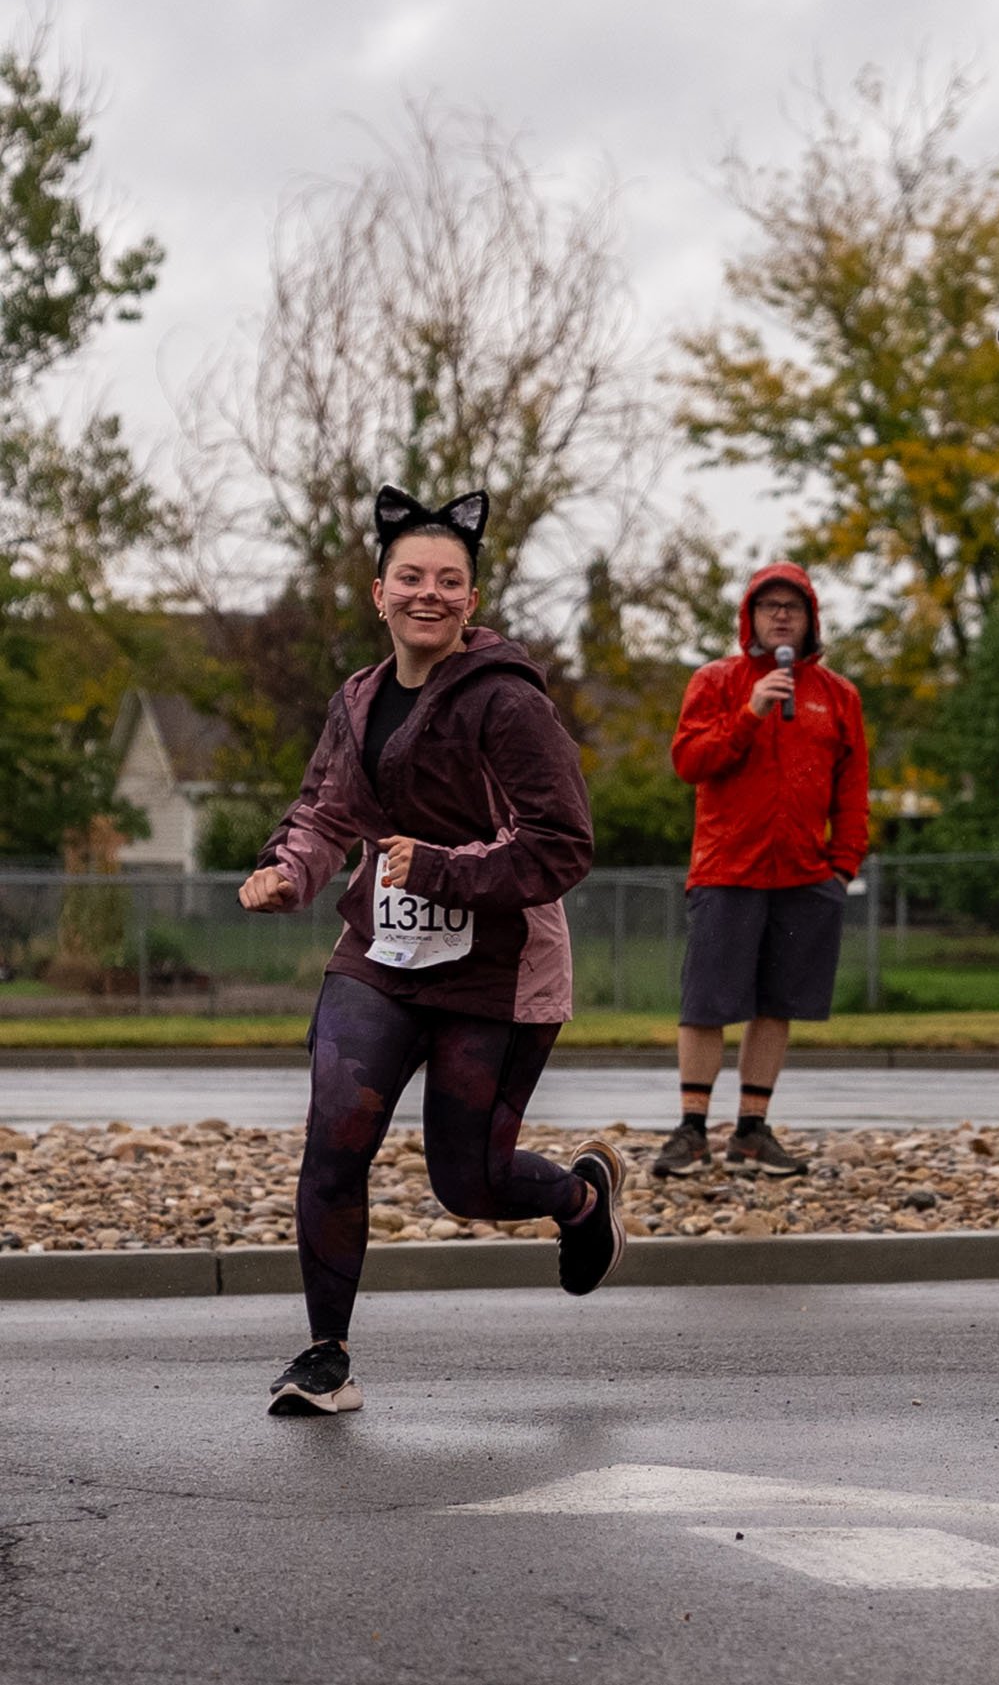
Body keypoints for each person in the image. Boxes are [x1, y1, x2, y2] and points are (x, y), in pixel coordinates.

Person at [239, 485, 617, 1418]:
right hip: (380, 956)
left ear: (471, 601)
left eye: (450, 580)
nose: (429, 593)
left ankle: (578, 1200)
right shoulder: (358, 699)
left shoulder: (507, 703)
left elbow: (563, 843)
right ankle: (325, 1356)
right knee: (335, 1139)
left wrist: (444, 867)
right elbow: (327, 812)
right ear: (379, 593)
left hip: (498, 968)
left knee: (470, 1183)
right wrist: (290, 870)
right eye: (410, 576)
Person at [656, 564, 869, 1180]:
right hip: (727, 870)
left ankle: (752, 1132)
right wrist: (749, 713)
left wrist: (840, 867)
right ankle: (691, 1131)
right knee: (705, 1006)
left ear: (810, 620)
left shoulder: (838, 696)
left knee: (777, 1005)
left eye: (792, 607)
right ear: (749, 617)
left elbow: (852, 793)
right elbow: (690, 761)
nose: (781, 616)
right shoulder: (716, 681)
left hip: (806, 877)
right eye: (769, 605)